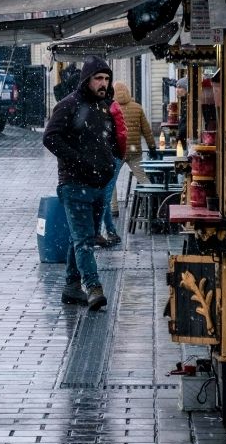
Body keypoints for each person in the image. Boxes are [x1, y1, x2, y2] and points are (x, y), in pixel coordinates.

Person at [43, 55, 119, 311]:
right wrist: (79, 161)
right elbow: (51, 138)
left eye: (107, 79)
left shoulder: (103, 107)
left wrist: (109, 163)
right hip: (74, 184)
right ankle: (93, 286)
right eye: (98, 78)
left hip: (98, 183)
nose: (103, 84)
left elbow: (106, 140)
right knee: (84, 240)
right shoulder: (69, 105)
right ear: (87, 79)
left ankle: (71, 286)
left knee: (82, 238)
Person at [98, 95, 128, 246]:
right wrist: (120, 153)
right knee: (105, 195)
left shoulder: (92, 105)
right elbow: (122, 134)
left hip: (102, 156)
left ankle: (106, 231)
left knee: (104, 195)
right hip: (112, 155)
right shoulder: (112, 106)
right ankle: (105, 231)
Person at [114, 81, 158, 186]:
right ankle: (151, 199)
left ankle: (113, 203)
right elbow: (147, 131)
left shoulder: (112, 109)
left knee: (111, 181)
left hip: (117, 151)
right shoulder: (137, 107)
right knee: (142, 177)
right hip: (134, 150)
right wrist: (152, 148)